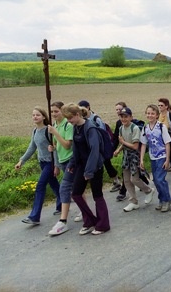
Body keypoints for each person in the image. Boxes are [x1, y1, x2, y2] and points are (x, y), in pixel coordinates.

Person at [61, 103, 110, 235]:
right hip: (81, 166)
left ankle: (103, 225)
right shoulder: (75, 127)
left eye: (70, 118)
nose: (69, 121)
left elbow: (95, 150)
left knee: (97, 195)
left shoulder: (90, 128)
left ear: (77, 115)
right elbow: (75, 149)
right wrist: (72, 164)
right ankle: (89, 221)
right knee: (76, 194)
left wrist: (89, 171)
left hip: (95, 166)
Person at [15, 107, 61, 226]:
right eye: (33, 115)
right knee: (54, 184)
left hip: (50, 163)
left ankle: (34, 216)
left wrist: (56, 165)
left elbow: (54, 149)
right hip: (42, 162)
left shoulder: (48, 130)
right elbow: (31, 148)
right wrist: (21, 161)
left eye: (38, 115)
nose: (35, 117)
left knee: (40, 186)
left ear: (44, 117)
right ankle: (61, 204)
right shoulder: (35, 131)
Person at [114, 107, 155, 212]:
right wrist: (119, 150)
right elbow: (124, 142)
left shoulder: (135, 128)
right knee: (127, 180)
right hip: (126, 156)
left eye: (126, 117)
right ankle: (133, 202)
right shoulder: (121, 128)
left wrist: (122, 142)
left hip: (134, 157)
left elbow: (135, 146)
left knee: (134, 179)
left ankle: (149, 190)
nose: (123, 119)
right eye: (122, 117)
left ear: (131, 117)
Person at [78, 100, 121, 192]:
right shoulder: (83, 119)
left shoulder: (96, 119)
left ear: (88, 107)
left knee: (106, 164)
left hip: (100, 147)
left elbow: (102, 133)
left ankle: (116, 181)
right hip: (90, 147)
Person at [47, 101, 76, 236]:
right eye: (52, 112)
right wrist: (52, 148)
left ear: (62, 112)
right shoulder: (54, 125)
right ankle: (84, 210)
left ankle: (62, 221)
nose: (53, 114)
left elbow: (67, 146)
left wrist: (55, 133)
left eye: (56, 111)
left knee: (64, 188)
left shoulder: (68, 125)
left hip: (71, 160)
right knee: (76, 187)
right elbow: (57, 147)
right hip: (63, 161)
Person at [140, 105, 171, 212]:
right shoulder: (145, 128)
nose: (150, 115)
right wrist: (141, 160)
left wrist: (167, 160)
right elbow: (144, 144)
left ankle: (167, 200)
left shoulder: (161, 127)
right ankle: (161, 199)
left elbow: (167, 143)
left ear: (157, 115)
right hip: (152, 157)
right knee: (155, 180)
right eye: (148, 113)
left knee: (160, 179)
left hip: (162, 156)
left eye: (152, 113)